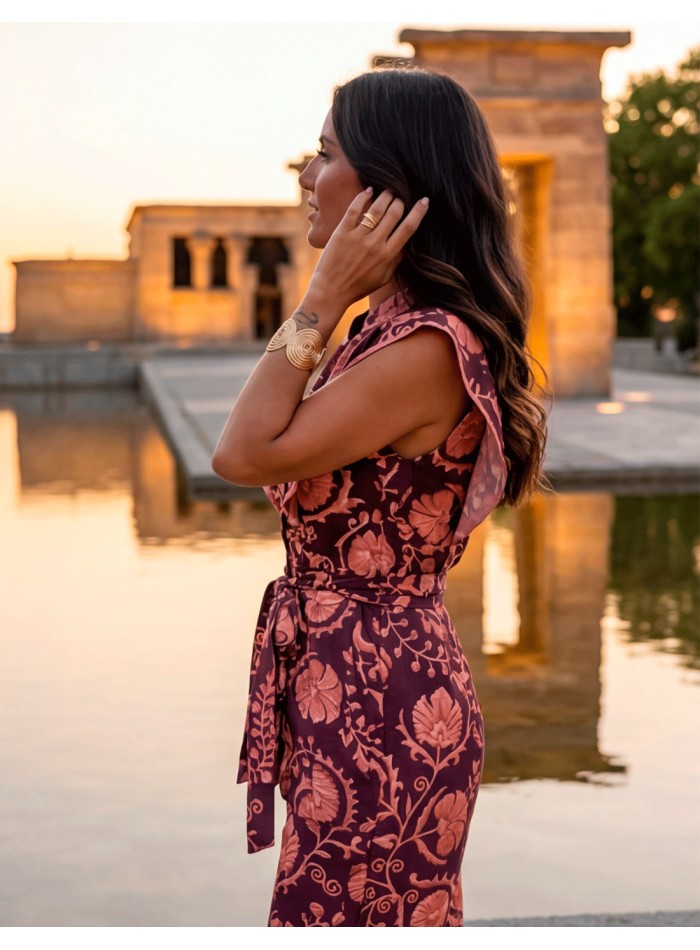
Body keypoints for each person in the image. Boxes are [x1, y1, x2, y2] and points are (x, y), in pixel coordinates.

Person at [212, 67, 547, 927]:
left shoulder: (426, 347)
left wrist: (322, 289)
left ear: (389, 191)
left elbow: (241, 452)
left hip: (383, 703)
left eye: (326, 154)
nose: (304, 175)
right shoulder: (387, 331)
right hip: (349, 682)